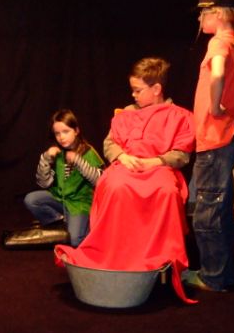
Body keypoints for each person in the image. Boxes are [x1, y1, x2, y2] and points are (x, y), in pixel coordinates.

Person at [55, 57, 196, 303]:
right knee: (114, 186)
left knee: (166, 192)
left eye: (138, 90)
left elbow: (182, 154)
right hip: (126, 165)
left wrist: (156, 161)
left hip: (159, 169)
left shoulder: (180, 116)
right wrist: (122, 156)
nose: (133, 95)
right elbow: (110, 143)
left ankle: (161, 258)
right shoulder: (125, 115)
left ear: (156, 89)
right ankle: (114, 253)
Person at [182, 0, 234, 292]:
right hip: (226, 136)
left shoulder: (218, 43)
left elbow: (218, 73)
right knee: (219, 210)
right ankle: (222, 273)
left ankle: (212, 277)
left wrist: (213, 106)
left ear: (219, 14)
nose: (200, 19)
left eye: (204, 13)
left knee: (208, 213)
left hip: (215, 139)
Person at [24, 109, 104, 247]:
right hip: (61, 199)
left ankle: (85, 229)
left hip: (79, 204)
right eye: (57, 133)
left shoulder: (88, 152)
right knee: (31, 199)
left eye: (66, 131)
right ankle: (59, 222)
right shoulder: (58, 153)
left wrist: (78, 161)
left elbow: (99, 181)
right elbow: (44, 183)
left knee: (75, 240)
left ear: (76, 131)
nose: (61, 137)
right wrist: (46, 159)